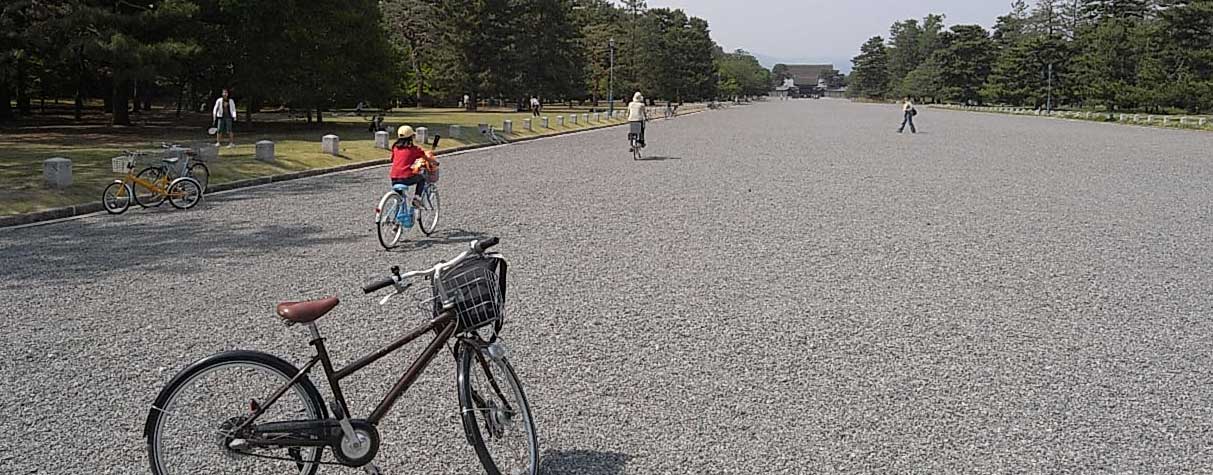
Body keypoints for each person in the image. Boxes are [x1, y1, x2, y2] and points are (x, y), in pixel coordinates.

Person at [389, 126, 436, 223]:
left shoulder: (395, 147)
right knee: (422, 178)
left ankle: (395, 222)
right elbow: (425, 157)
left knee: (399, 198)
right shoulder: (414, 149)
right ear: (411, 137)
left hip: (394, 177)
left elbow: (392, 159)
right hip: (406, 177)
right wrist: (433, 162)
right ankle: (417, 198)